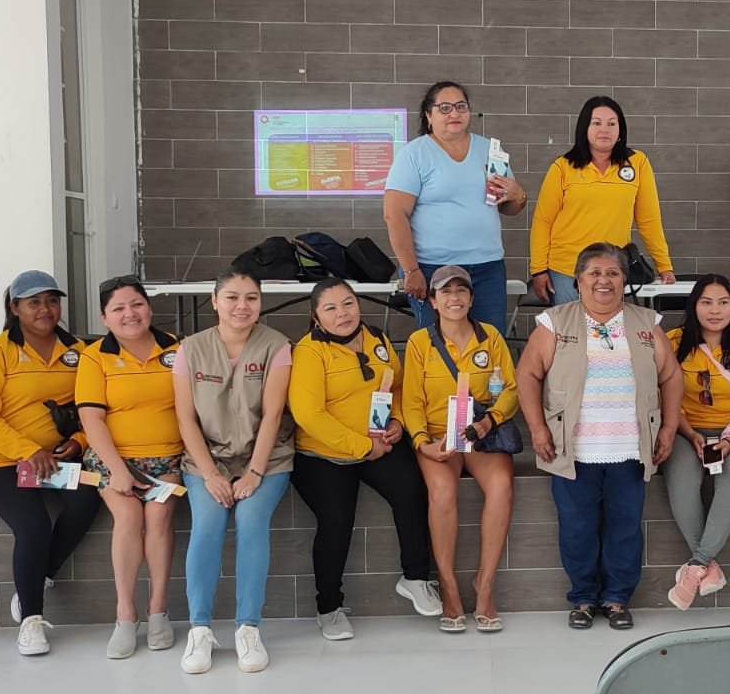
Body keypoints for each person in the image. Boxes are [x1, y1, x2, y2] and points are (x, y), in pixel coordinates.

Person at [517, 242, 682, 631]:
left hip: (630, 448)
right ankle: (584, 598)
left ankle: (617, 598)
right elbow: (527, 376)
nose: (603, 281)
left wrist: (670, 427)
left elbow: (671, 376)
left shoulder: (646, 323)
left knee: (625, 527)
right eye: (594, 273)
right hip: (571, 449)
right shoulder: (554, 323)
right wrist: (538, 428)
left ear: (625, 280)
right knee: (578, 528)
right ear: (578, 280)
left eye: (613, 273)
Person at [289, 278, 440, 641]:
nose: (342, 314)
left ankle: (416, 578)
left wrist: (398, 423)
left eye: (348, 303)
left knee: (412, 491)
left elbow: (399, 386)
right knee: (336, 520)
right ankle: (329, 607)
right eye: (331, 308)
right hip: (322, 453)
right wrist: (361, 447)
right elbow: (308, 414)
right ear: (315, 317)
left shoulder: (377, 338)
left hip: (378, 442)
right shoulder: (309, 351)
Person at [0, 270, 99, 656]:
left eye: (52, 300)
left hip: (54, 462)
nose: (45, 309)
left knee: (91, 495)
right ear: (15, 307)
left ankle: (36, 578)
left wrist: (78, 441)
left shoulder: (80, 352)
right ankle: (31, 621)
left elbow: (96, 406)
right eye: (34, 302)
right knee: (33, 523)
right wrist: (26, 449)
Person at [171, 267, 294, 673]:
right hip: (207, 461)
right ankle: (200, 630)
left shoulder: (276, 345)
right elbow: (186, 419)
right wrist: (210, 474)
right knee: (206, 524)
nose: (242, 306)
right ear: (215, 301)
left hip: (266, 459)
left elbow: (274, 414)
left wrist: (255, 473)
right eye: (233, 297)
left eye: (251, 298)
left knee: (251, 519)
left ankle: (248, 627)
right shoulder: (190, 349)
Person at [401, 265, 520, 633]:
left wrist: (491, 420)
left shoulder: (491, 337)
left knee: (501, 486)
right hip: (438, 436)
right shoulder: (421, 342)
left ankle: (484, 586)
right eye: (445, 292)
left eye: (461, 291)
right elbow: (410, 402)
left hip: (479, 434)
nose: (454, 298)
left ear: (471, 298)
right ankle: (449, 587)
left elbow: (511, 390)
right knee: (442, 490)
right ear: (433, 301)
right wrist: (423, 442)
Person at [76, 275, 183, 659]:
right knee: (128, 517)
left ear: (148, 308)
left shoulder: (175, 348)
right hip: (112, 460)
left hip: (167, 457)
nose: (130, 314)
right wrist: (118, 469)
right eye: (118, 308)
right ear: (105, 317)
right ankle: (125, 614)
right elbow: (91, 419)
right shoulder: (94, 356)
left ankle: (158, 610)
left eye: (136, 304)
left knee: (158, 514)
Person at [384, 81, 527, 332]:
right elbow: (394, 214)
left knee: (489, 342)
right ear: (429, 115)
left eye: (461, 106)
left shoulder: (490, 150)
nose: (454, 113)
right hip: (432, 268)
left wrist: (519, 195)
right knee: (439, 347)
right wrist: (411, 270)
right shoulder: (414, 154)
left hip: (487, 267)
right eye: (445, 107)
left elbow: (508, 207)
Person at [662, 275, 730, 610]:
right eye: (706, 302)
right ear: (694, 306)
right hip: (685, 428)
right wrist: (690, 433)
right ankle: (705, 565)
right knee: (683, 480)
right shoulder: (673, 341)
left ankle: (697, 565)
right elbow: (666, 396)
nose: (715, 310)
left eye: (723, 302)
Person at [529, 96, 675, 305]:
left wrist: (664, 265)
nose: (604, 129)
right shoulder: (562, 167)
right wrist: (539, 270)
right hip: (566, 270)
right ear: (584, 128)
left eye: (611, 123)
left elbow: (649, 220)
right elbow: (543, 221)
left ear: (620, 129)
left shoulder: (637, 163)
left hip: (612, 269)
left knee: (610, 335)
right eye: (596, 123)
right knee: (570, 335)